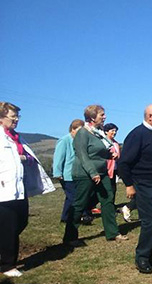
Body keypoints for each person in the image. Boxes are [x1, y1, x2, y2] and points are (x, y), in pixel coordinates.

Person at [0, 102, 55, 278]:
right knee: (9, 227)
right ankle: (7, 265)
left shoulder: (16, 137)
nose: (16, 119)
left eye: (17, 116)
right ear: (1, 118)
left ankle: (5, 252)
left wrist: (25, 157)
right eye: (12, 116)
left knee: (21, 222)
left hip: (18, 188)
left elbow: (28, 157)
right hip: (3, 189)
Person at [63, 105, 127, 247]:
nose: (104, 117)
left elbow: (97, 151)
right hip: (85, 173)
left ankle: (113, 233)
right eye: (101, 115)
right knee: (80, 204)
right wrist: (92, 173)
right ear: (92, 117)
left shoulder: (97, 133)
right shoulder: (82, 133)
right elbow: (83, 155)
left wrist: (110, 155)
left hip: (101, 172)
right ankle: (70, 237)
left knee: (108, 200)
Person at [119, 104, 152, 274]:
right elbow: (124, 162)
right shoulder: (137, 134)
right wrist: (129, 185)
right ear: (149, 116)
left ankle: (149, 254)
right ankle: (142, 258)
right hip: (142, 183)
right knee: (150, 220)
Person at [53, 119, 85, 223]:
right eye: (79, 130)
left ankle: (65, 217)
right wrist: (57, 172)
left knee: (70, 197)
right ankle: (81, 216)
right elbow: (59, 157)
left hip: (77, 173)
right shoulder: (64, 140)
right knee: (74, 197)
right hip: (67, 175)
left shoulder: (79, 141)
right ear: (72, 129)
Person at [103, 123, 120, 198]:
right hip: (106, 168)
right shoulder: (104, 142)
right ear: (106, 131)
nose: (114, 132)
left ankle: (112, 204)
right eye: (112, 131)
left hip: (114, 168)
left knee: (113, 187)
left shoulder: (115, 143)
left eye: (115, 131)